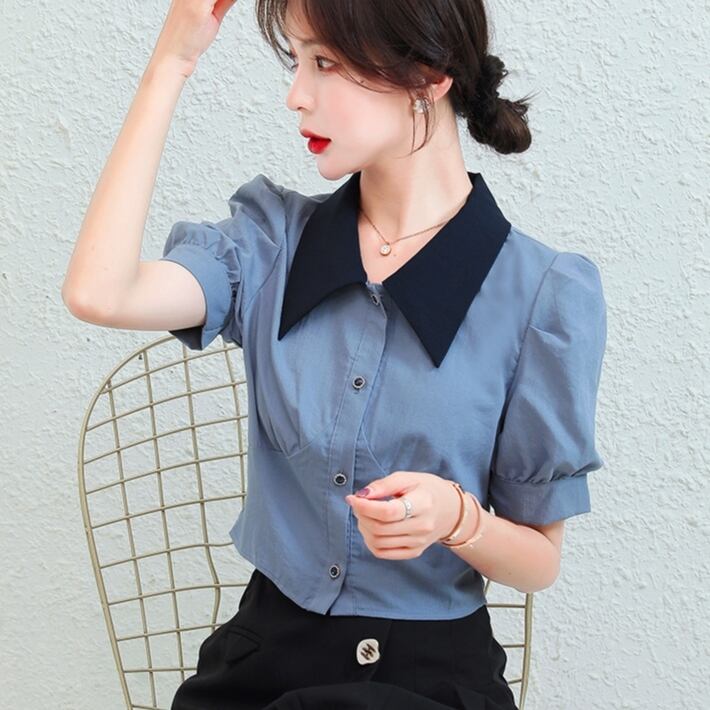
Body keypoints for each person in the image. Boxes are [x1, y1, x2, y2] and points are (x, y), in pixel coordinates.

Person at [61, 1, 608, 708]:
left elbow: (539, 561)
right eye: (297, 62)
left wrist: (455, 517)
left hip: (429, 680)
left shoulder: (540, 295)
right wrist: (171, 63)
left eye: (324, 62)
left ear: (427, 74)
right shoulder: (270, 245)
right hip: (262, 669)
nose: (297, 95)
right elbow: (100, 293)